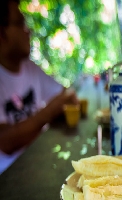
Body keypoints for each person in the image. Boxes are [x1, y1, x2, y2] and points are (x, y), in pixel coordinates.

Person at [0, 0, 78, 174]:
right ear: (1, 34)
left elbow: (66, 95)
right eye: (20, 23)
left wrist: (62, 102)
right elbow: (5, 142)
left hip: (36, 165)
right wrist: (48, 113)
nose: (28, 30)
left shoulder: (30, 68)